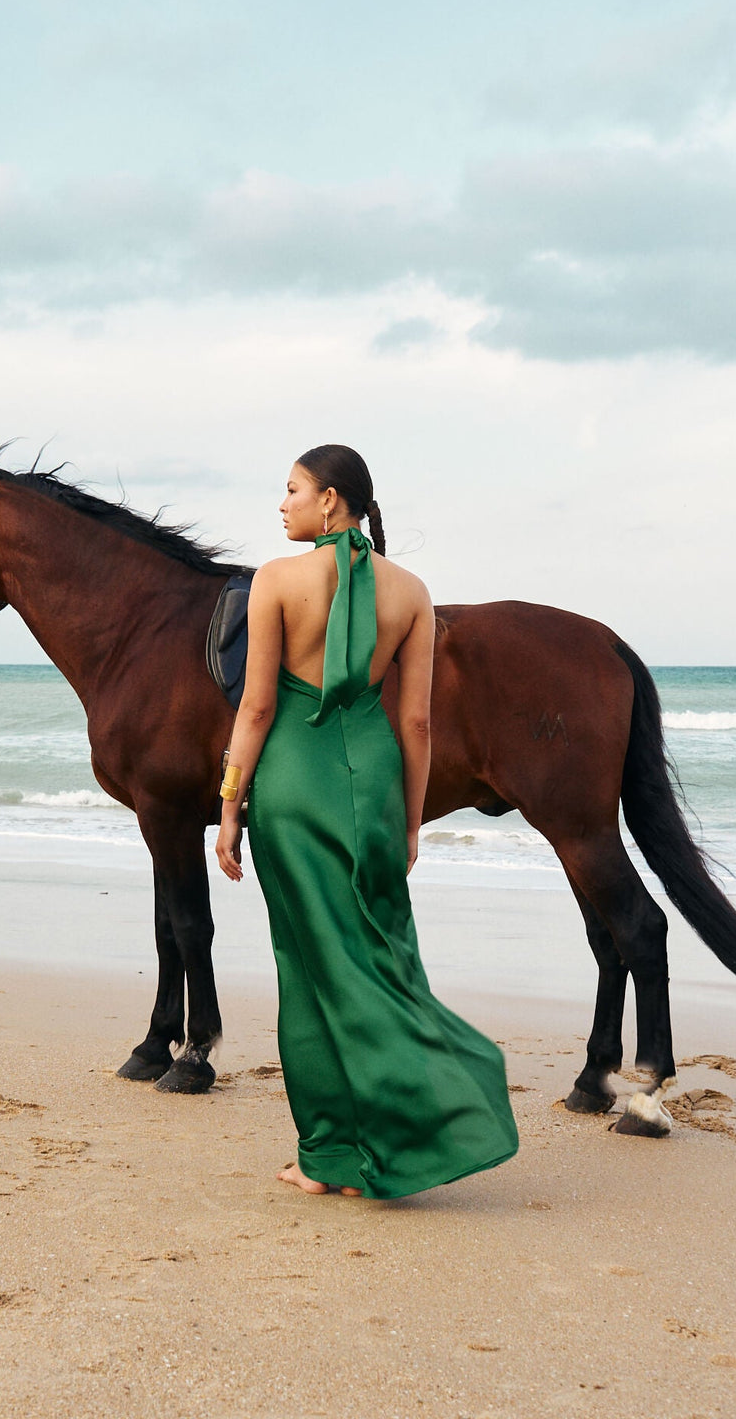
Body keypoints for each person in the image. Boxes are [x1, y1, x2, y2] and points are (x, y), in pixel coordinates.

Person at [215, 445, 518, 1199]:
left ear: (330, 501)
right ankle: (388, 1140)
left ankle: (328, 1156)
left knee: (309, 965)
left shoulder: (275, 582)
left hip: (291, 783)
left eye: (291, 490)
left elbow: (255, 708)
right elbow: (415, 723)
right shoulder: (411, 591)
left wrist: (228, 808)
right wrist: (410, 820)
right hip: (375, 783)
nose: (280, 504)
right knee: (381, 956)